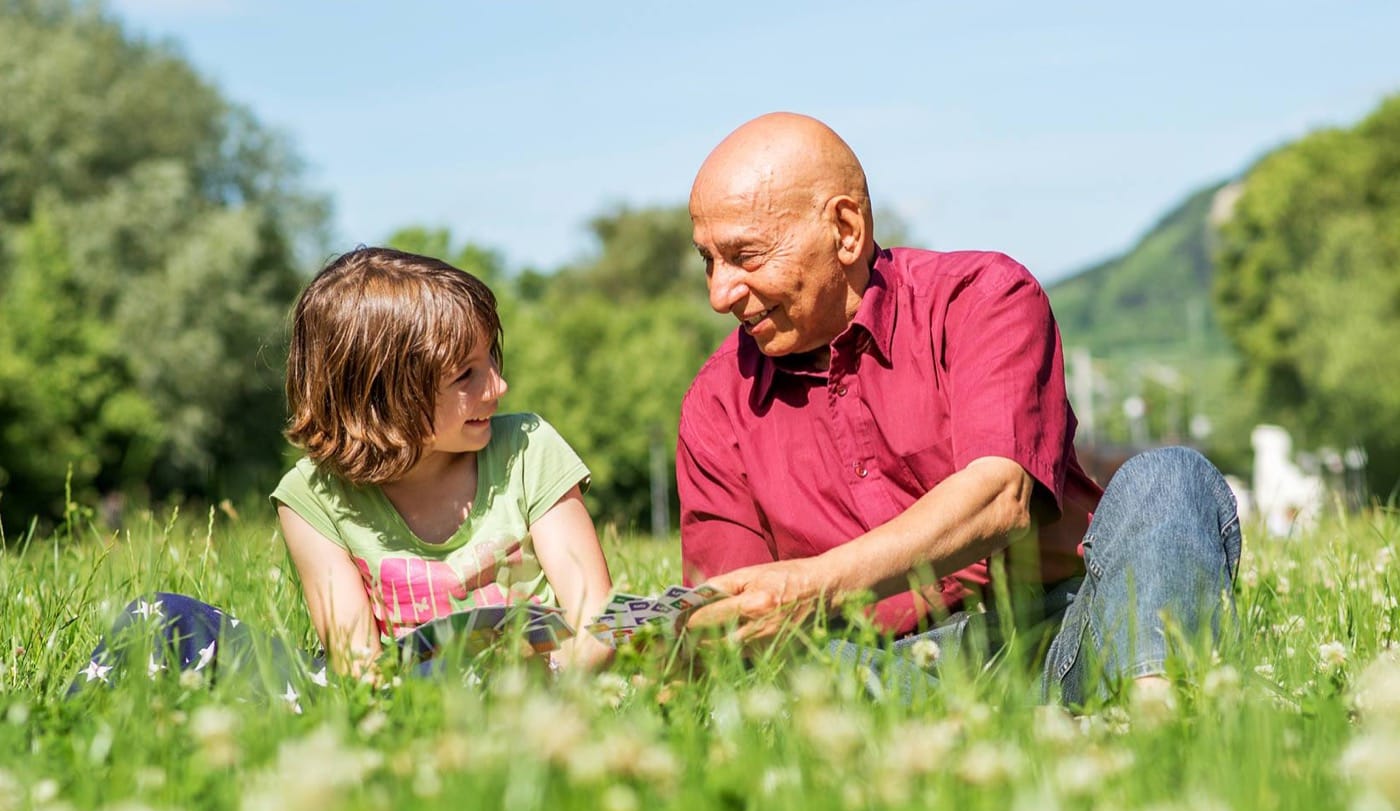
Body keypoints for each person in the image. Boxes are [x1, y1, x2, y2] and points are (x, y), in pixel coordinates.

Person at [678, 113, 1240, 705]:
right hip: (877, 672)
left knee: (1170, 476)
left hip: (1060, 638)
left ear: (845, 230)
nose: (720, 293)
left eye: (747, 256)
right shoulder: (715, 404)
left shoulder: (982, 297)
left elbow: (1000, 498)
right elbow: (735, 629)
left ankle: (1155, 725)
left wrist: (809, 585)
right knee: (786, 672)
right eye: (708, 261)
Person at [74, 247, 613, 694]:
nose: (497, 387)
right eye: (466, 376)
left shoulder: (526, 448)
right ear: (384, 397)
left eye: (492, 361)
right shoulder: (311, 497)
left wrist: (543, 689)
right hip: (394, 694)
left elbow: (597, 622)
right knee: (162, 616)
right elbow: (358, 665)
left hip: (534, 681)